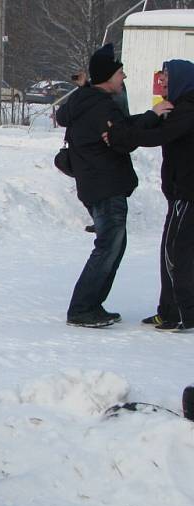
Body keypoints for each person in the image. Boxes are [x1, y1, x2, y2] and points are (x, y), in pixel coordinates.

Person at [57, 43, 169, 328]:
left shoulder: (89, 101)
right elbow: (125, 138)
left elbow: (122, 129)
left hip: (98, 184)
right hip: (104, 186)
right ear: (107, 77)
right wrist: (155, 116)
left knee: (113, 247)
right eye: (121, 73)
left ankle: (90, 305)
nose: (124, 78)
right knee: (108, 246)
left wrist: (150, 116)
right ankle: (82, 308)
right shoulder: (99, 106)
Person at [108, 60, 194, 332]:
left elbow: (156, 136)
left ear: (182, 79)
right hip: (179, 193)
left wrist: (118, 136)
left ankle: (182, 314)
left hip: (188, 194)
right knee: (168, 251)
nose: (163, 81)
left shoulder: (188, 110)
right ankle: (168, 311)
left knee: (176, 254)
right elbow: (154, 129)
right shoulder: (177, 106)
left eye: (167, 76)